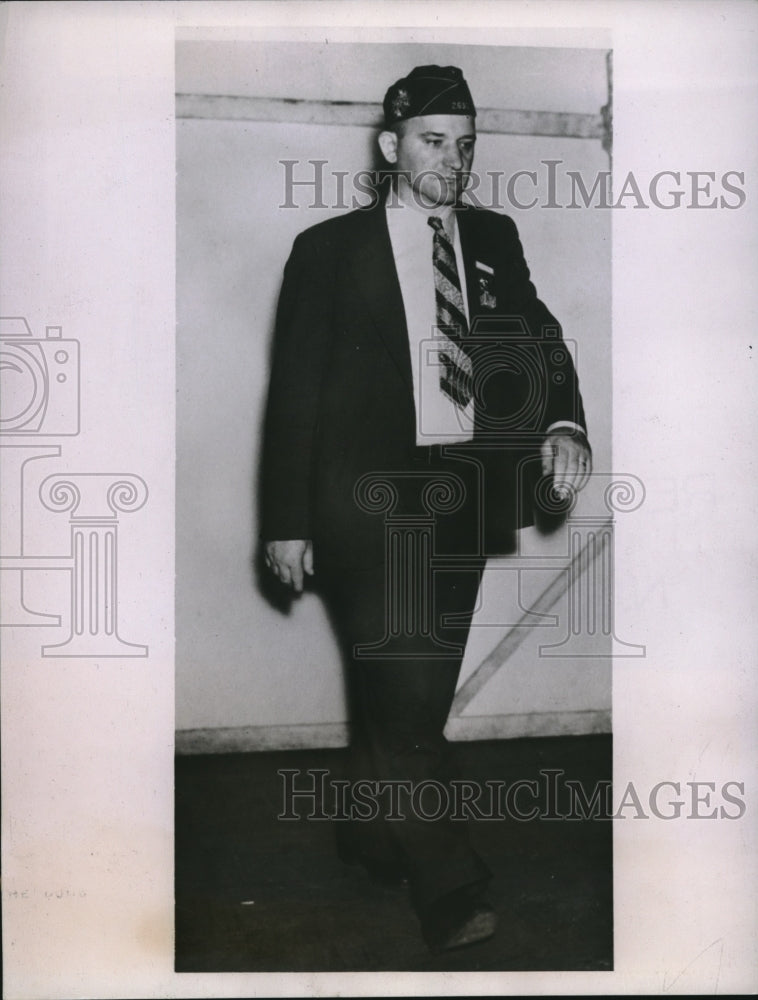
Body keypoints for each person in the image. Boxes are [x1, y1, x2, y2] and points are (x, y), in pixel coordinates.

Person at [261, 65, 592, 952]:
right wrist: (287, 519)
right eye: (434, 142)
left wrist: (561, 421)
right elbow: (294, 392)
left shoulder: (492, 234)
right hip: (366, 501)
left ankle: (370, 831)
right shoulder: (330, 249)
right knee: (406, 692)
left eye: (466, 143)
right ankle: (450, 884)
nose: (455, 159)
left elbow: (538, 336)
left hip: (465, 494)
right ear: (391, 147)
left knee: (411, 687)